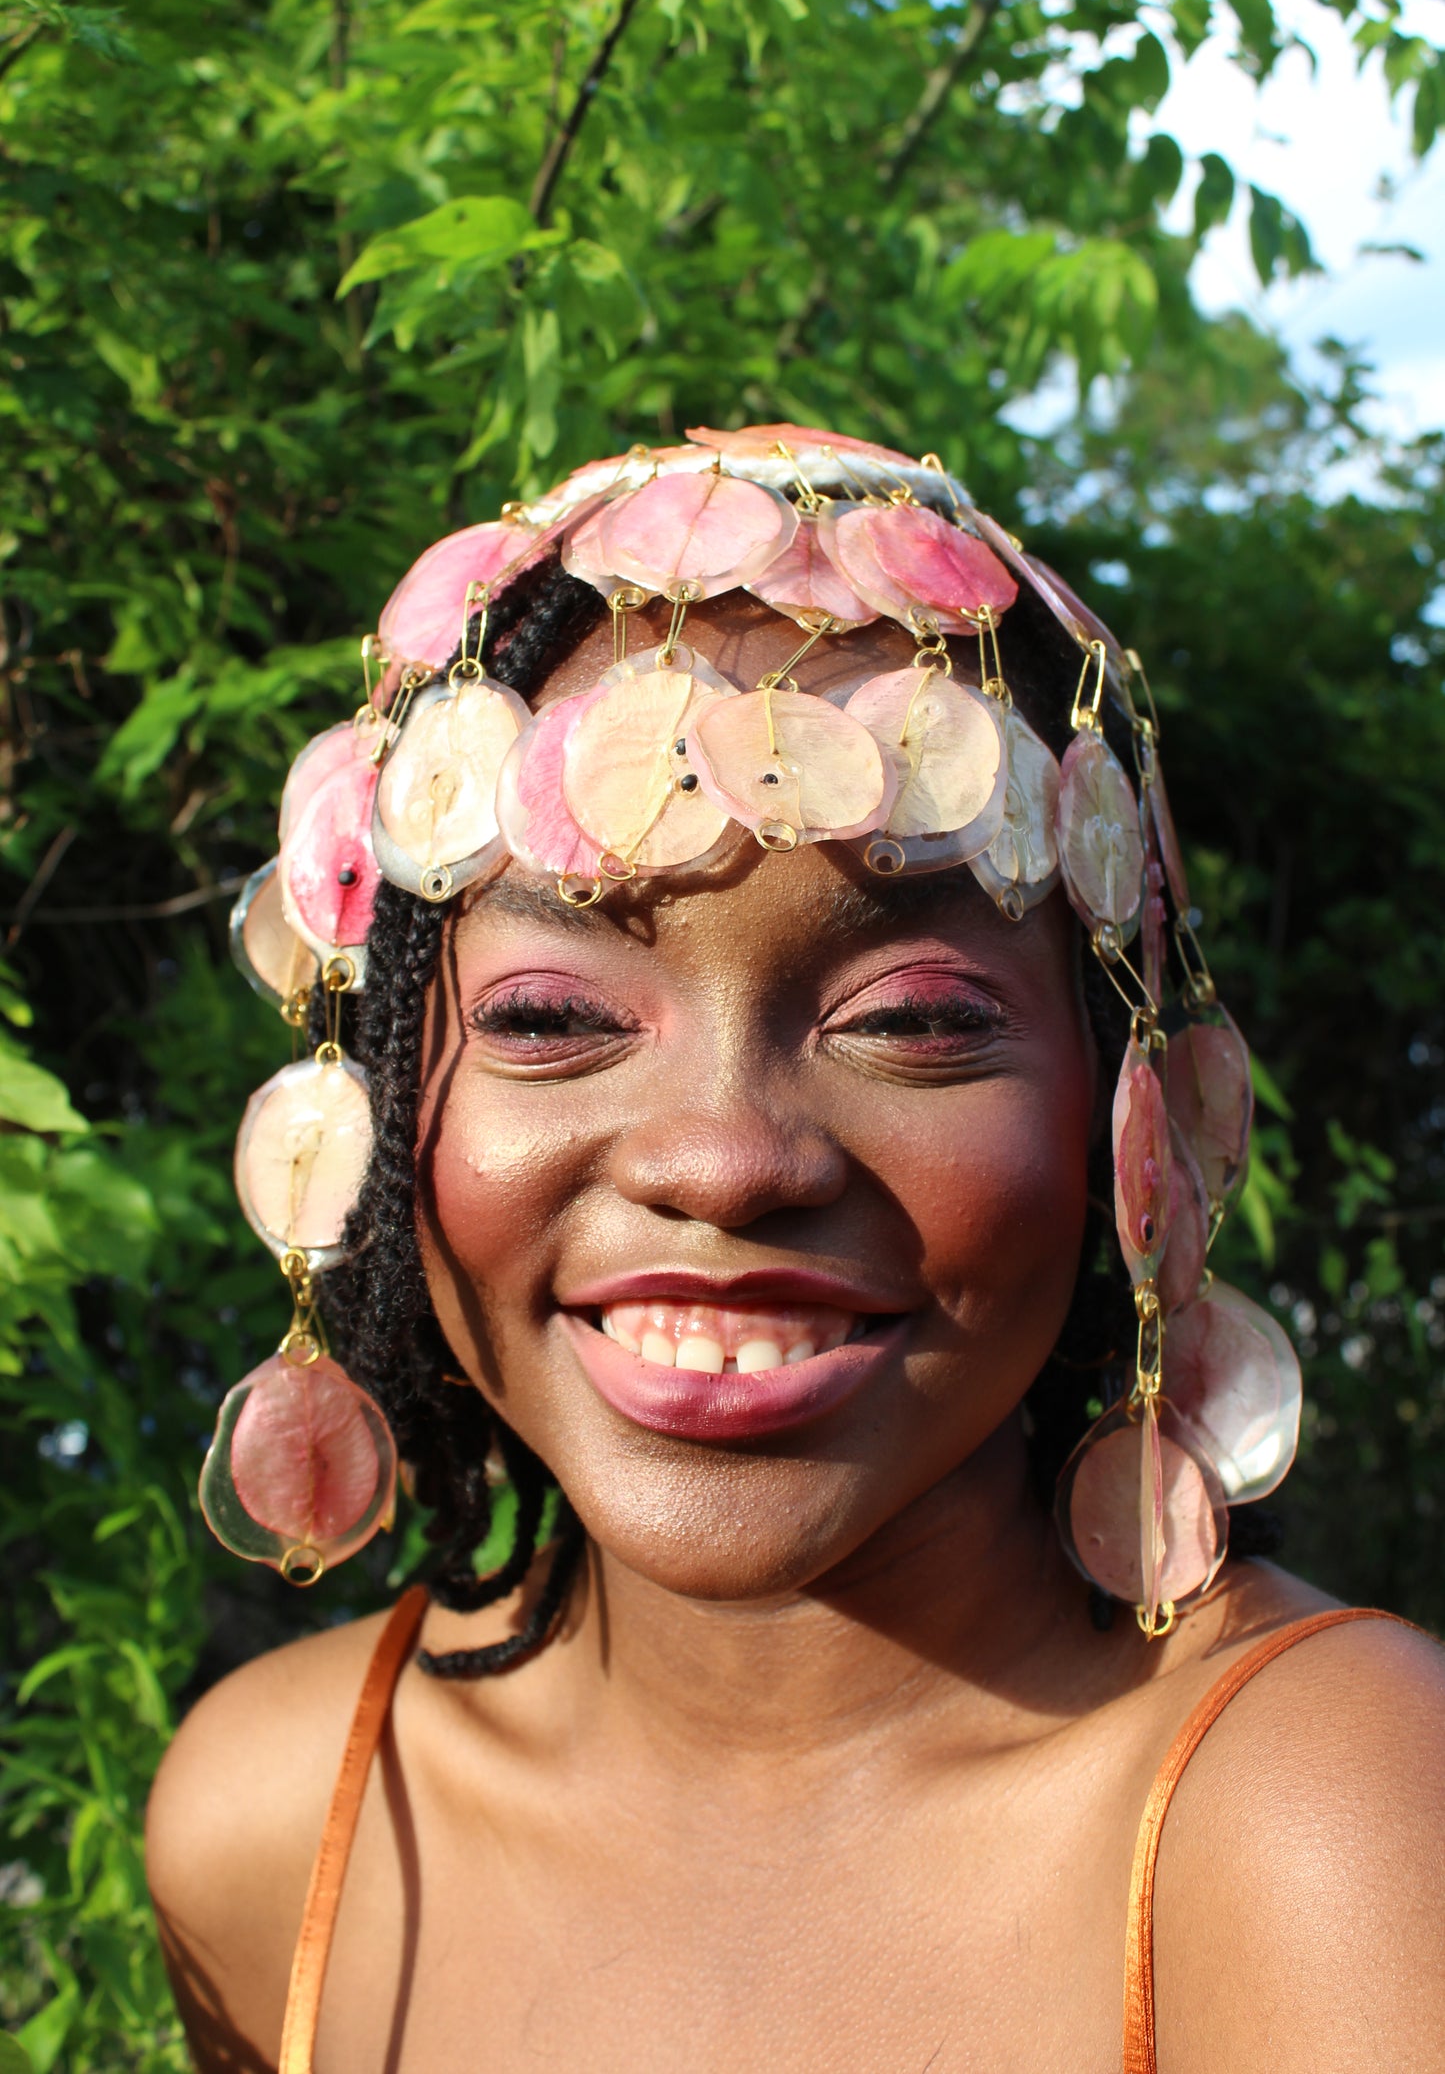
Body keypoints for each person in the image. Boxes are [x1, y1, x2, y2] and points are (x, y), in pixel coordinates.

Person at [145, 429, 1445, 2073]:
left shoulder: (1325, 1832)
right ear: (373, 1097)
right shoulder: (282, 1821)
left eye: (909, 1020)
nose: (726, 1161)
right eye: (548, 1017)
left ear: (1135, 1115)